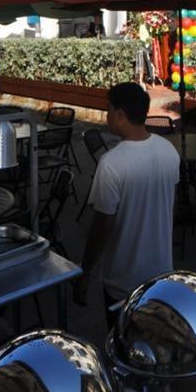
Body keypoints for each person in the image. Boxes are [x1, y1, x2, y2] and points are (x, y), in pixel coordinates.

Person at [75, 82, 180, 328]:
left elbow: (101, 226)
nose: (106, 115)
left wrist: (86, 271)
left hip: (123, 282)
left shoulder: (111, 164)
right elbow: (170, 206)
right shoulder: (169, 151)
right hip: (162, 273)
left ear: (121, 115)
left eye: (109, 109)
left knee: (123, 346)